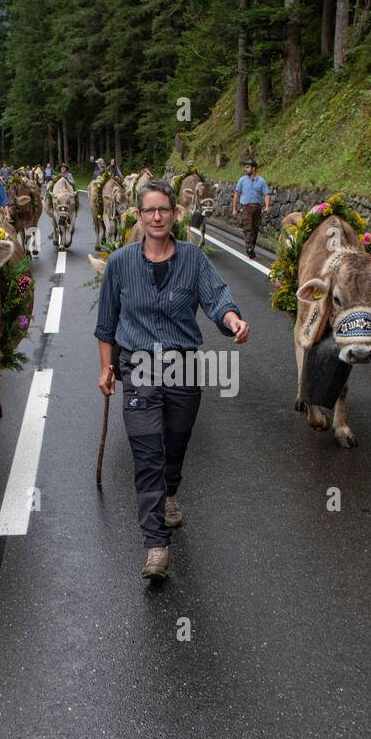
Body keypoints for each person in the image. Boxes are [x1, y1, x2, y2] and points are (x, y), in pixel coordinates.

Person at [94, 180, 250, 581]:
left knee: (176, 441)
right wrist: (106, 368)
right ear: (139, 216)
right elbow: (106, 324)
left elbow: (217, 299)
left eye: (164, 209)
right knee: (146, 451)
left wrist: (232, 320)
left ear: (175, 213)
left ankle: (170, 493)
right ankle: (155, 546)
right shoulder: (120, 263)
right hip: (139, 366)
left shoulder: (194, 260)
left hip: (183, 366)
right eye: (149, 211)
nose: (157, 216)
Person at [231, 158, 271, 258]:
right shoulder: (242, 180)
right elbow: (236, 194)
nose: (245, 169)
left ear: (253, 169)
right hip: (246, 208)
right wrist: (234, 209)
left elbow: (266, 194)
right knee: (248, 228)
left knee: (255, 229)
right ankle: (249, 248)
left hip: (257, 208)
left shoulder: (261, 181)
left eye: (247, 167)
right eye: (245, 167)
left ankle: (251, 246)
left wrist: (266, 206)